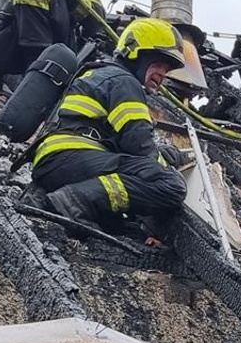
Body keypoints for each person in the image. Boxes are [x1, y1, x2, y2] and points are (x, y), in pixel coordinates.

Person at [30, 17, 187, 227]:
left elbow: (124, 144)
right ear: (136, 54)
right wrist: (169, 163)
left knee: (114, 221)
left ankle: (48, 198)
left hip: (54, 162)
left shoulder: (100, 72)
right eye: (158, 63)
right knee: (171, 184)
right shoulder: (124, 82)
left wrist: (162, 154)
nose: (162, 74)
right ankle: (71, 201)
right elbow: (139, 145)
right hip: (71, 158)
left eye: (166, 70)